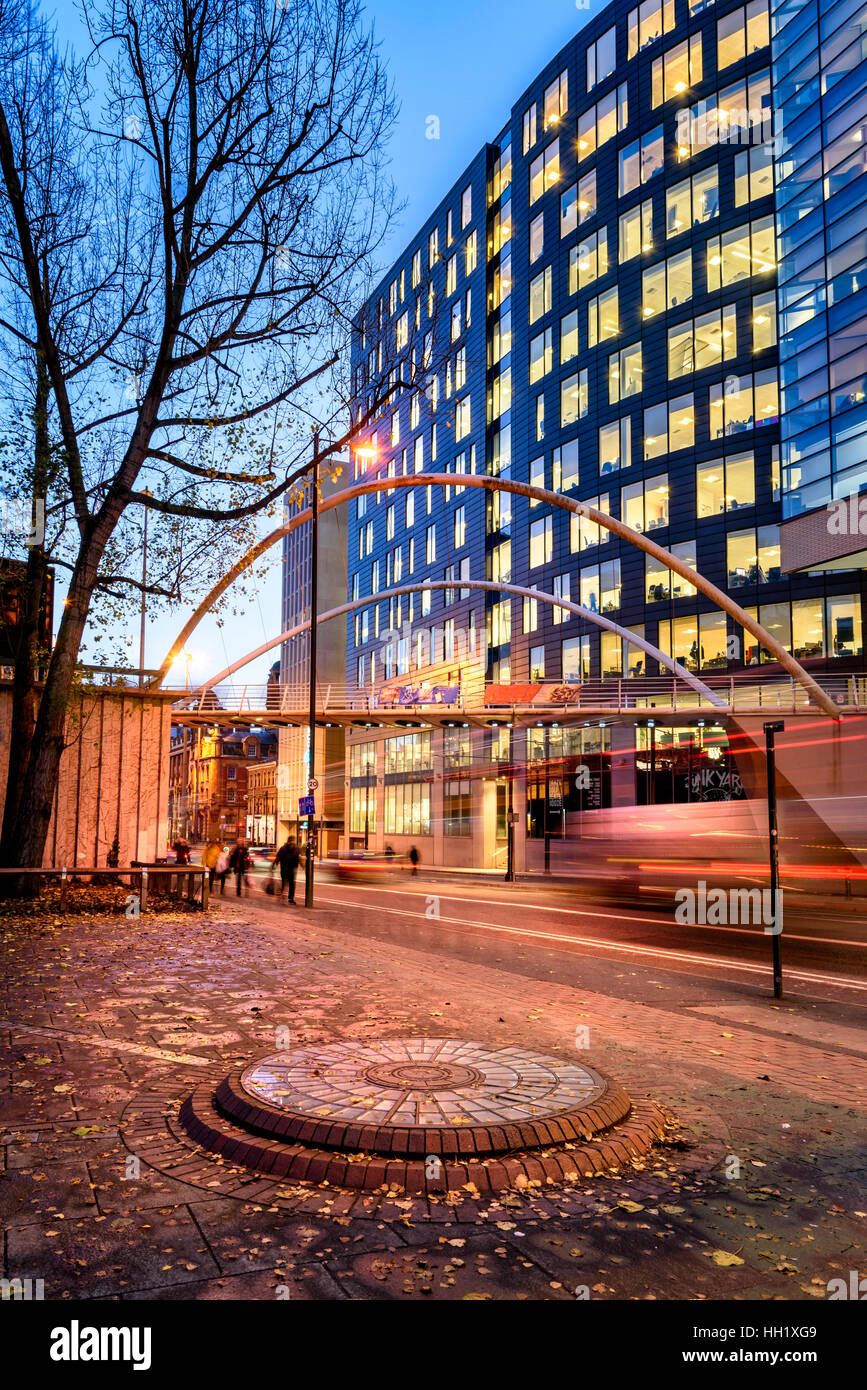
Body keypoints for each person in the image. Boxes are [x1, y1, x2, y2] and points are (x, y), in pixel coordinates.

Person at [274, 836, 300, 905]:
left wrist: (302, 866)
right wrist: (274, 865)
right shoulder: (283, 849)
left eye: (293, 841)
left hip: (291, 870)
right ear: (288, 842)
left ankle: (290, 899)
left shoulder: (296, 849)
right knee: (284, 884)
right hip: (284, 870)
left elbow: (298, 858)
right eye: (291, 841)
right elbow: (278, 858)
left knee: (291, 885)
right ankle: (282, 895)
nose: (292, 843)